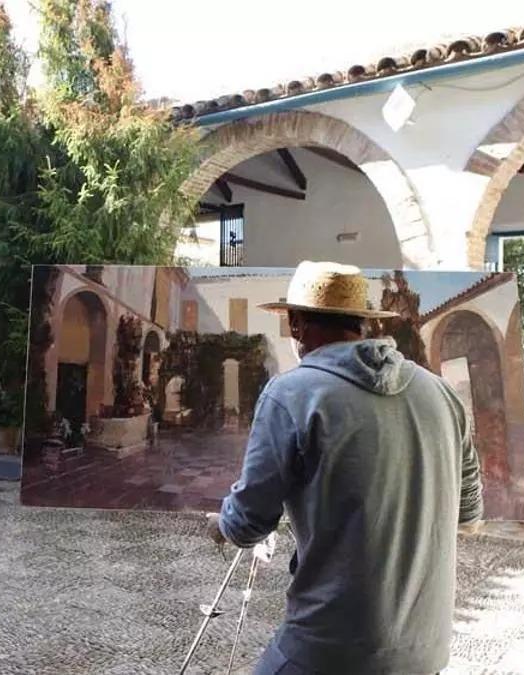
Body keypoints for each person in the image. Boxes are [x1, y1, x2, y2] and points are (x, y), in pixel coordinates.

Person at [206, 261, 483, 675]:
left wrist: (221, 525)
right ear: (364, 323)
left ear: (296, 324)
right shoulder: (440, 393)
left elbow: (249, 522)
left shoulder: (292, 394)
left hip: (328, 648)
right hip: (426, 651)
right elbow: (469, 516)